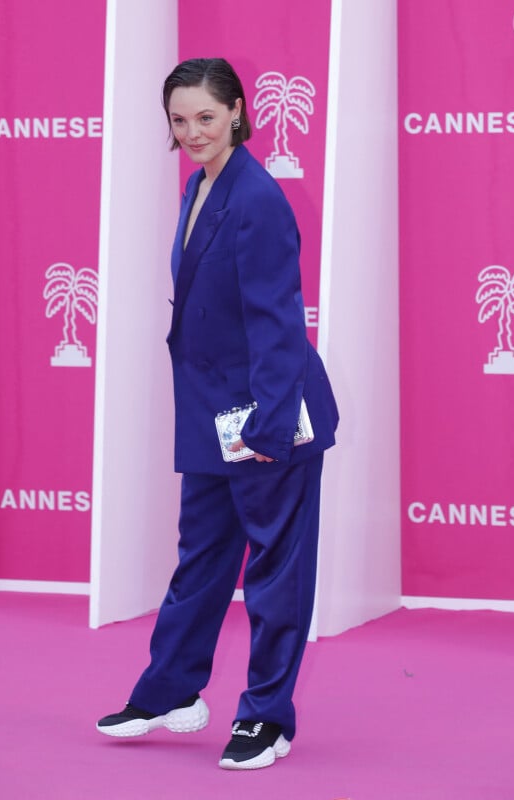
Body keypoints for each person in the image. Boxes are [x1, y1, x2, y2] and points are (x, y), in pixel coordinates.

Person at [96, 57, 339, 771]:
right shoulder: (201, 185)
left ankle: (268, 717)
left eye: (206, 116)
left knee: (274, 573)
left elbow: (277, 323)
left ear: (236, 110)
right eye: (179, 120)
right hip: (211, 416)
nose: (192, 131)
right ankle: (171, 691)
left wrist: (265, 428)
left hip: (266, 418)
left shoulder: (257, 198)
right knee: (200, 560)